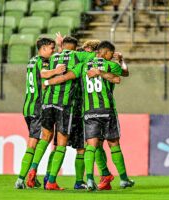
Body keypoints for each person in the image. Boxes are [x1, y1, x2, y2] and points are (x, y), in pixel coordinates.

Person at [43, 41, 134, 191]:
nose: (112, 56)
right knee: (113, 145)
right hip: (107, 111)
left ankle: (90, 180)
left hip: (88, 112)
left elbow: (65, 77)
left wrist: (47, 82)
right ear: (105, 52)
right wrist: (120, 61)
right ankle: (123, 179)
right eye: (111, 53)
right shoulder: (109, 64)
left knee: (90, 146)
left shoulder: (83, 65)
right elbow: (122, 75)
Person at [15, 37, 66, 189]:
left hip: (27, 107)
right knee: (33, 143)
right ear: (43, 48)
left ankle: (32, 177)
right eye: (51, 48)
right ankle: (20, 179)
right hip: (37, 108)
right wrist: (56, 71)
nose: (53, 51)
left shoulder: (32, 60)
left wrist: (60, 47)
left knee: (36, 141)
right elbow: (44, 74)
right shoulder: (43, 61)